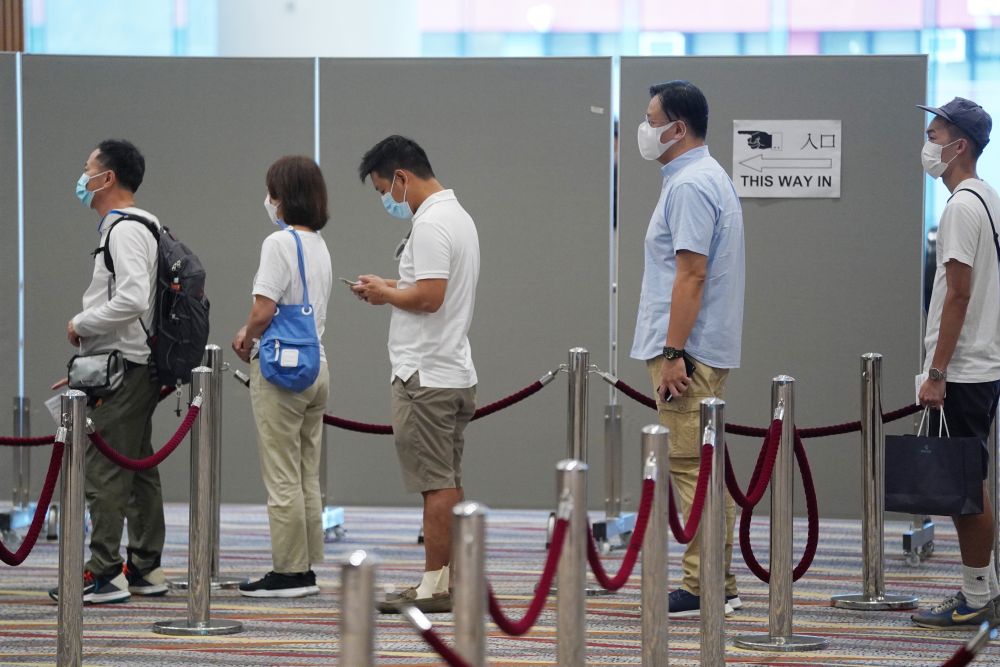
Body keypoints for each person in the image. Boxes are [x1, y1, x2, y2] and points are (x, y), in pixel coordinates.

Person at [629, 81, 745, 617]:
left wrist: (673, 351)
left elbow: (691, 275)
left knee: (689, 467)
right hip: (697, 350)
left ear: (677, 128)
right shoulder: (698, 177)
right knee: (703, 466)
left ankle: (702, 586)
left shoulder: (692, 184)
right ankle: (716, 578)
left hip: (688, 355)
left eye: (651, 119)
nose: (645, 128)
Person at [352, 135, 479, 614]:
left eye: (384, 189)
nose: (386, 199)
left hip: (425, 374)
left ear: (401, 178)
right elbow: (428, 290)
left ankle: (434, 585)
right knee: (447, 480)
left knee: (436, 485)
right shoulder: (457, 217)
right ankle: (449, 577)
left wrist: (386, 295)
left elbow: (429, 298)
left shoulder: (430, 224)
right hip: (451, 368)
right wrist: (390, 287)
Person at [49, 139, 166, 604]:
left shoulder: (124, 229)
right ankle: (144, 568)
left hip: (123, 367)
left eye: (87, 169)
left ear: (108, 178)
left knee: (106, 471)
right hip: (128, 364)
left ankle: (104, 573)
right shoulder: (143, 225)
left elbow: (133, 299)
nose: (82, 178)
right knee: (136, 468)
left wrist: (81, 324)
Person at [910, 97, 1000, 629]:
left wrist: (937, 372)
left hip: (964, 369)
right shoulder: (986, 199)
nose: (929, 143)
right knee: (972, 480)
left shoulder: (962, 207)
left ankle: (974, 596)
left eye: (935, 133)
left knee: (964, 488)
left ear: (959, 144)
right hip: (979, 363)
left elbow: (958, 296)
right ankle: (983, 586)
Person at [232, 155, 332, 598]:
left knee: (281, 472)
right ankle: (306, 563)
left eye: (272, 192)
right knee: (306, 471)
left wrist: (245, 335)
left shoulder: (279, 244)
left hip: (279, 367)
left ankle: (289, 571)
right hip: (317, 366)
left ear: (284, 197)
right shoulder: (319, 245)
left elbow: (264, 308)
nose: (268, 201)